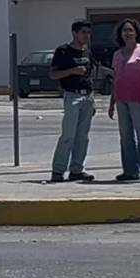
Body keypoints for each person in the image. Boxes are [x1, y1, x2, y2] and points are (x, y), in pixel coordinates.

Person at [108, 18, 140, 183]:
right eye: (124, 30)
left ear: (136, 33)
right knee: (125, 136)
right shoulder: (117, 54)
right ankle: (130, 171)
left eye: (130, 30)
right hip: (121, 99)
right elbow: (116, 79)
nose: (127, 33)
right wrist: (112, 103)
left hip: (139, 99)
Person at [49, 20, 96, 183]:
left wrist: (93, 99)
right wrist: (72, 71)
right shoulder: (63, 51)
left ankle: (77, 169)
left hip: (87, 96)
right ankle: (58, 170)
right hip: (72, 96)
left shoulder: (87, 51)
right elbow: (53, 74)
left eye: (88, 33)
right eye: (83, 32)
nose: (86, 36)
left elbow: (90, 75)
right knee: (68, 135)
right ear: (74, 33)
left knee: (83, 136)